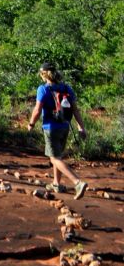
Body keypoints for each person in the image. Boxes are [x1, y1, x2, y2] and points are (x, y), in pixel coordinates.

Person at [26, 62, 88, 199]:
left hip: (51, 128)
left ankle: (77, 182)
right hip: (65, 127)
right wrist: (81, 127)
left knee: (54, 158)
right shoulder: (66, 88)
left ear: (43, 74)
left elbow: (37, 110)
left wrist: (31, 124)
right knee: (58, 155)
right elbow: (75, 110)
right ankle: (56, 184)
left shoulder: (43, 89)